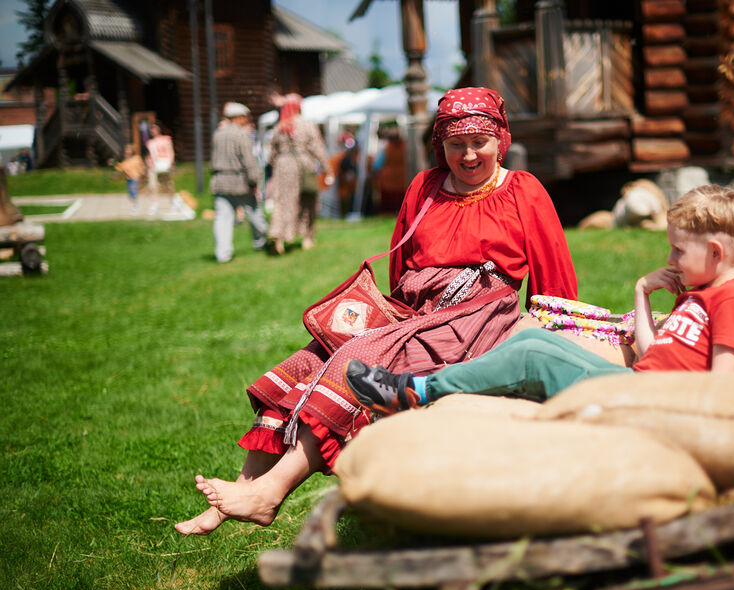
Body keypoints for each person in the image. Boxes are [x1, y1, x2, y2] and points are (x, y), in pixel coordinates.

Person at [175, 87, 578, 536]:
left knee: (354, 363)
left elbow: (553, 273)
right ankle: (242, 489)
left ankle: (269, 493)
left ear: (499, 140)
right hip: (413, 311)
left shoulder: (522, 190)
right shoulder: (424, 186)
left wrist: (550, 337)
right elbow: (401, 265)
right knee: (307, 360)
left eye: (478, 143)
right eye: (455, 144)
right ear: (440, 145)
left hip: (475, 321)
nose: (467, 155)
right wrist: (394, 317)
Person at [345, 185, 734, 413]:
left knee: (532, 358)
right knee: (533, 341)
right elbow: (648, 352)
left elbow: (719, 390)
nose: (670, 259)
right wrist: (643, 290)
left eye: (678, 251)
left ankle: (417, 390)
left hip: (645, 400)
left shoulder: (731, 303)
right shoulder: (697, 297)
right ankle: (423, 388)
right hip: (638, 382)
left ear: (715, 254)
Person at [210, 101, 269, 263]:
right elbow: (249, 160)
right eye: (244, 116)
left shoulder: (217, 134)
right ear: (237, 117)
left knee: (223, 218)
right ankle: (261, 242)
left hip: (220, 182)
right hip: (239, 182)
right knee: (255, 212)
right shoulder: (241, 134)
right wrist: (255, 180)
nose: (246, 119)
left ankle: (222, 254)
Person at [267, 95, 326, 253]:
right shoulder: (307, 125)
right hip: (304, 164)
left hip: (283, 166)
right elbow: (317, 148)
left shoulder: (279, 127)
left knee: (283, 202)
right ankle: (307, 238)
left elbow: (271, 154)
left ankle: (278, 237)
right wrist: (327, 168)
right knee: (308, 201)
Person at [372, 125, 407, 215]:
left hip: (388, 183)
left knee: (387, 210)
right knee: (399, 209)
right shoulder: (405, 148)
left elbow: (376, 166)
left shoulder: (386, 149)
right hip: (401, 182)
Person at [145, 122, 176, 216]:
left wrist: (170, 162)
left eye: (155, 128)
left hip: (164, 164)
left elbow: (170, 151)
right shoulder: (150, 142)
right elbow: (150, 154)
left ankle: (172, 202)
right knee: (153, 186)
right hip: (154, 166)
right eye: (152, 129)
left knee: (168, 185)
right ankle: (154, 204)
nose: (153, 131)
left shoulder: (166, 139)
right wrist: (148, 161)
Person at [112, 144, 145, 213]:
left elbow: (141, 166)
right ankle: (135, 203)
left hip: (135, 178)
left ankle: (135, 205)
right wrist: (114, 163)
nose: (127, 151)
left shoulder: (136, 158)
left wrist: (142, 174)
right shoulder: (126, 160)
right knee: (130, 194)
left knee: (134, 192)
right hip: (128, 179)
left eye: (128, 150)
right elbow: (120, 167)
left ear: (132, 151)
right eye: (126, 150)